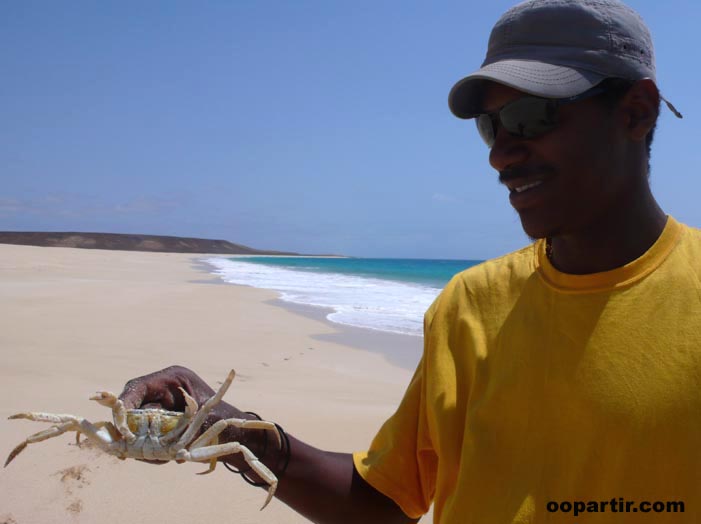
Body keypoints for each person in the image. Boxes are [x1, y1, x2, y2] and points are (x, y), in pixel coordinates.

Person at [119, 0, 700, 522]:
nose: (501, 152)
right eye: (489, 126)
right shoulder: (470, 304)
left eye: (531, 117)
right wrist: (225, 425)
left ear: (635, 111)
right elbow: (386, 500)